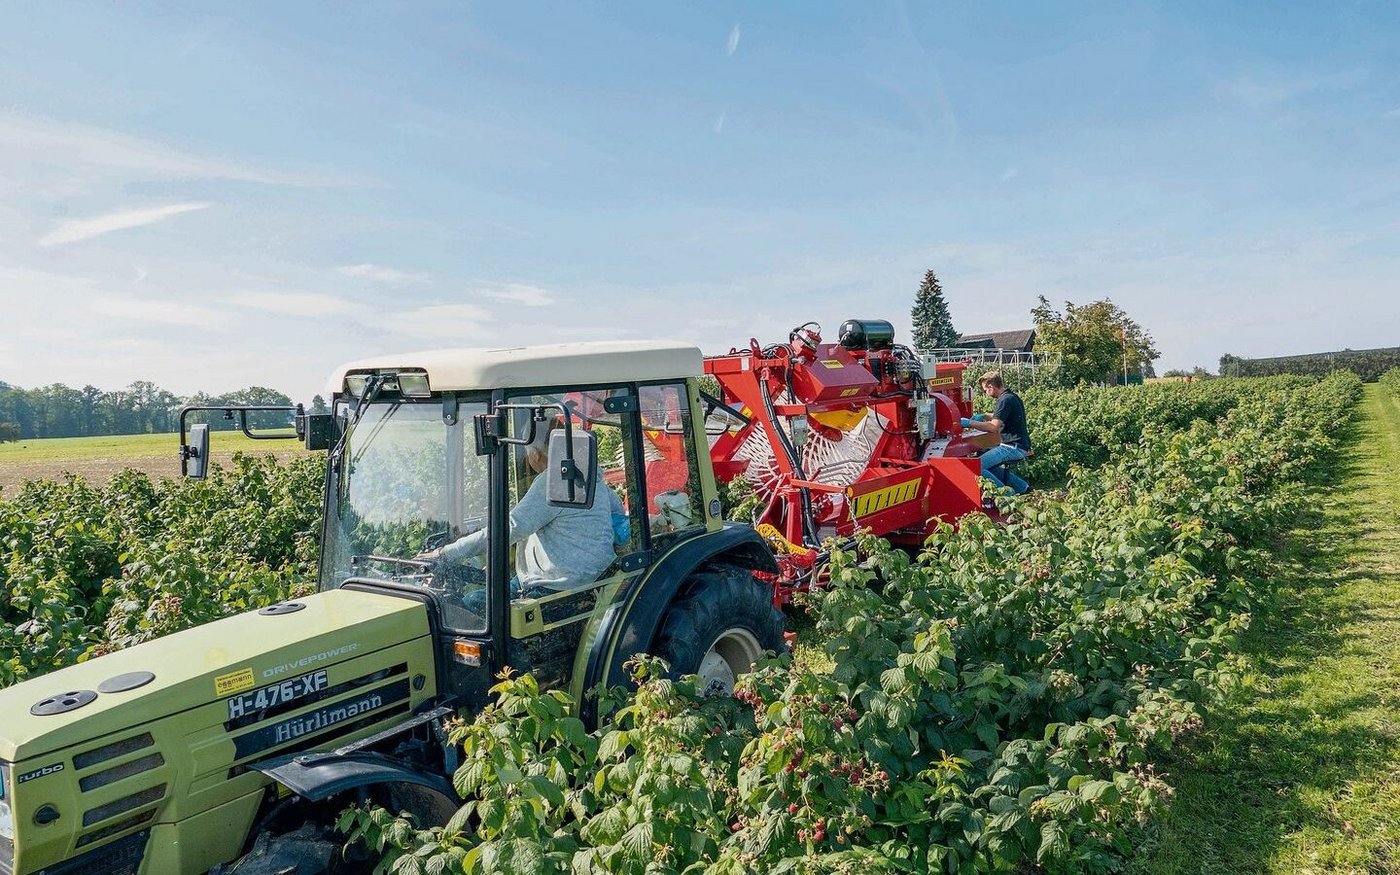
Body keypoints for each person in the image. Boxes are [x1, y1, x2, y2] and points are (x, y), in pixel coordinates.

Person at [421, 421, 626, 595]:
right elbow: (616, 514)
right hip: (594, 578)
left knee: (472, 603)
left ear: (535, 455)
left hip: (556, 586)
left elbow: (511, 528)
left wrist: (446, 553)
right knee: (490, 591)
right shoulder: (590, 478)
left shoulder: (551, 482)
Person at [962, 371, 1032, 495]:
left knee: (977, 466)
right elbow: (999, 416)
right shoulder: (1011, 397)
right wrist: (983, 416)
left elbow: (993, 427)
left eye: (985, 390)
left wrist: (969, 423)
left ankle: (1007, 498)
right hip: (1020, 444)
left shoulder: (1004, 400)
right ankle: (1024, 488)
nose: (986, 393)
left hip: (1012, 447)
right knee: (991, 466)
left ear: (991, 387)